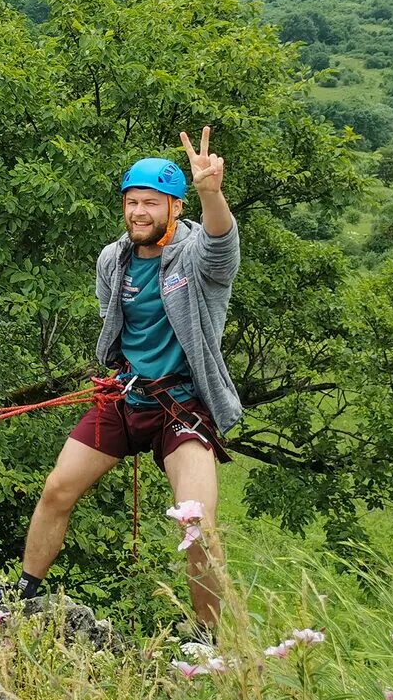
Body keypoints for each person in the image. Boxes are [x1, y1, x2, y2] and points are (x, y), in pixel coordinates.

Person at [12, 128, 241, 629]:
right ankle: (21, 594)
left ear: (175, 207)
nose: (139, 212)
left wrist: (211, 192)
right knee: (57, 490)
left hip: (182, 405)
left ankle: (209, 640)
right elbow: (112, 320)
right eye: (131, 202)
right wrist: (119, 374)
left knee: (196, 521)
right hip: (126, 397)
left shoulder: (196, 256)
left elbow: (222, 243)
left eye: (152, 203)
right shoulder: (113, 260)